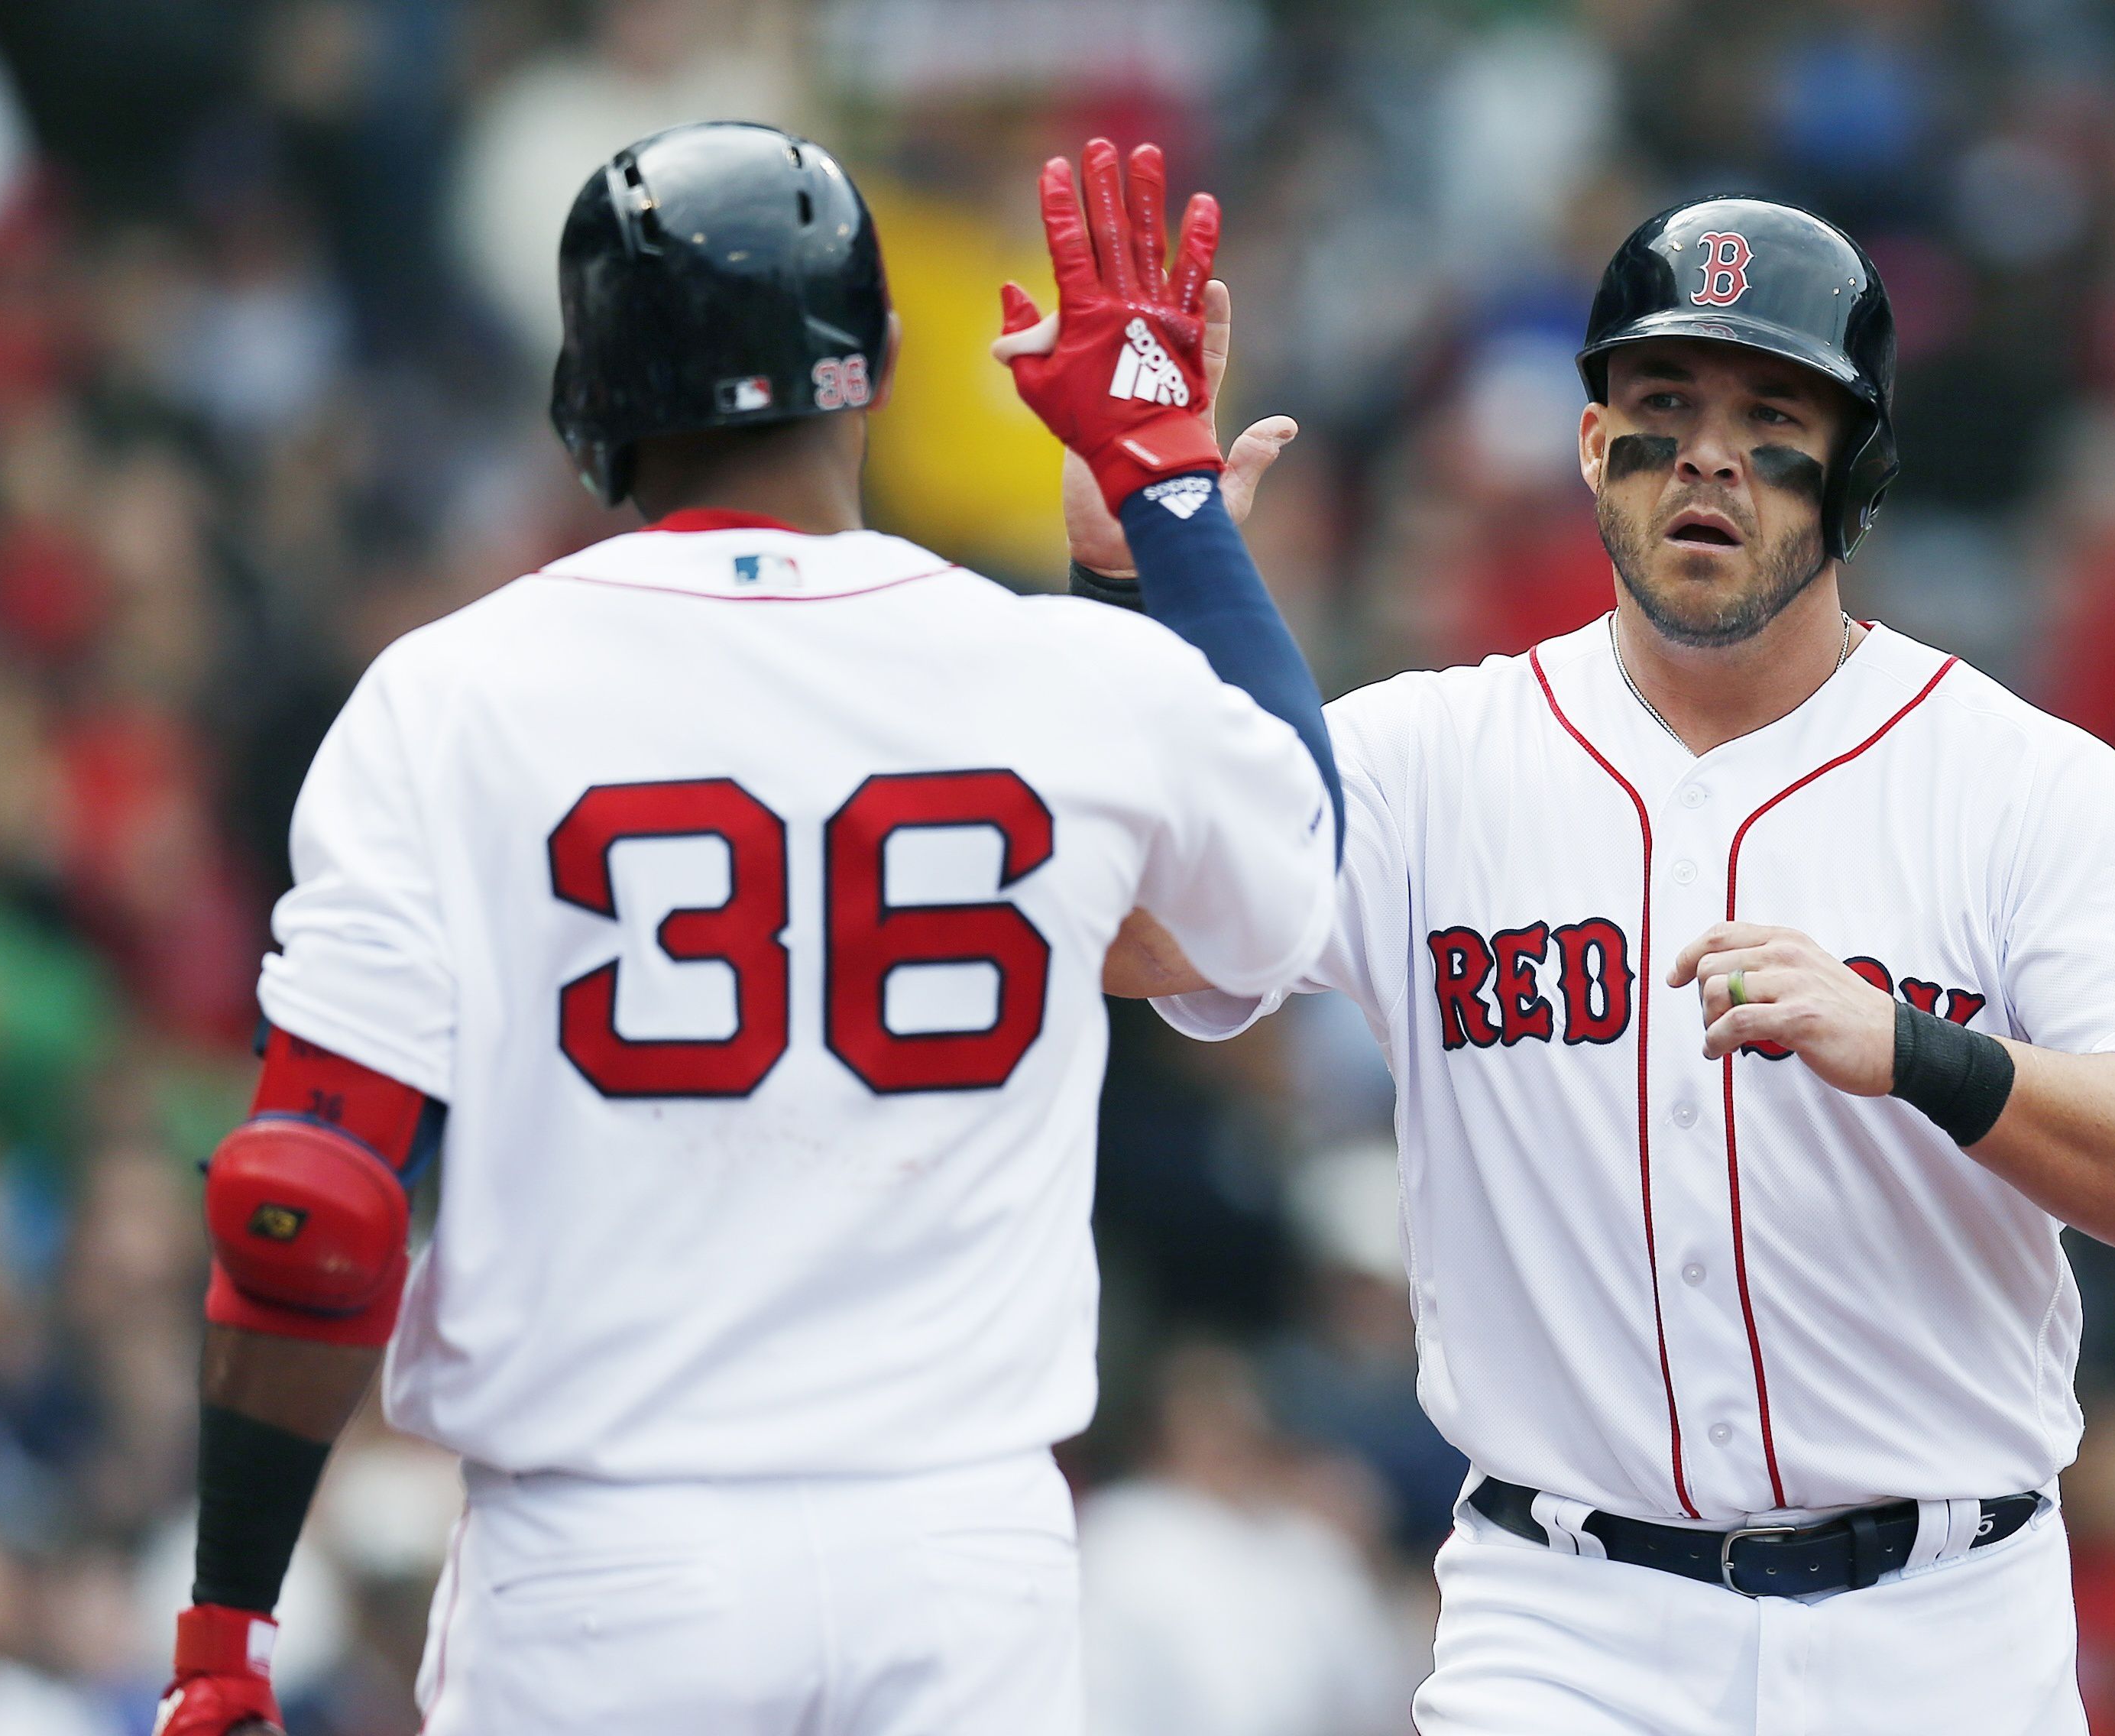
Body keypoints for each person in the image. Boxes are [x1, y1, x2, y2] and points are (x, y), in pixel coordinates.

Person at [151, 124, 1337, 1736]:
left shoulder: (452, 695)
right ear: (886, 363)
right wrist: (1165, 500)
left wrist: (226, 1629)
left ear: (589, 390)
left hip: (609, 1565)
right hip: (960, 1561)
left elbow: (317, 1205)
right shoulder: (1062, 673)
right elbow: (1289, 877)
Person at [1107, 196, 2115, 1731]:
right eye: (1663, 410)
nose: (1709, 458)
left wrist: (1920, 1050)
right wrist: (1140, 574)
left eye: (1770, 414)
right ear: (1593, 443)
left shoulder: (2016, 781)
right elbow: (1141, 934)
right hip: (1570, 1623)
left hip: (1943, 1629)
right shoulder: (1427, 757)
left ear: (1858, 467)